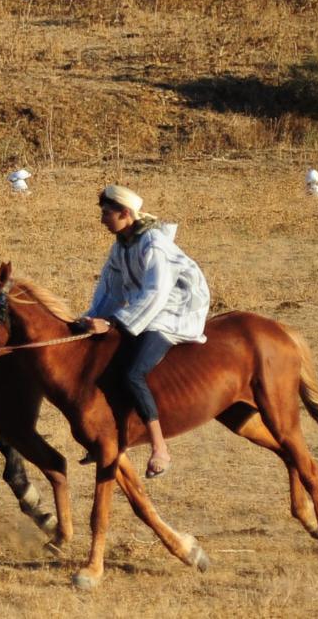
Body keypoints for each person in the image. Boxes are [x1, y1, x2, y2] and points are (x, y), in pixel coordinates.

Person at [78, 184, 211, 479]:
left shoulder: (154, 245)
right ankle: (112, 436)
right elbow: (110, 288)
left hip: (176, 310)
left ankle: (160, 448)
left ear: (125, 213)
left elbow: (157, 293)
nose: (102, 220)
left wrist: (113, 323)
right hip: (147, 309)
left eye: (106, 213)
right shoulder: (122, 244)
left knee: (132, 373)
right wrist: (90, 319)